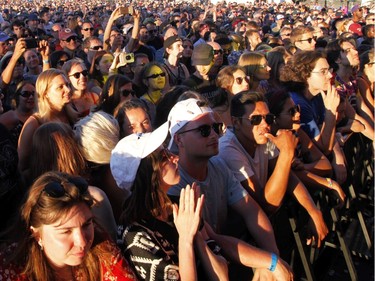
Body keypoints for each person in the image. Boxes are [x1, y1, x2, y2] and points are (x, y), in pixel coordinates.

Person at [166, 97, 294, 280]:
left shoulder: (218, 166)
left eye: (216, 128)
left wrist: (273, 258)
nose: (213, 135)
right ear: (179, 139)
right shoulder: (175, 184)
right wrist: (269, 261)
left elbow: (252, 212)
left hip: (223, 259)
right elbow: (213, 238)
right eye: (203, 130)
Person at [111, 122, 229, 280]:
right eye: (164, 157)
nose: (175, 157)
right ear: (147, 173)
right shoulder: (135, 235)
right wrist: (186, 239)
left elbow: (221, 275)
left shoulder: (178, 206)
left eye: (167, 150)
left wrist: (197, 236)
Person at [0, 171, 136, 281]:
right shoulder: (10, 270)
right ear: (37, 235)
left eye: (86, 224)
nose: (82, 241)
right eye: (66, 231)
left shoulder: (101, 247)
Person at [266, 89, 346, 205]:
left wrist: (304, 167)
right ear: (275, 119)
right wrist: (329, 183)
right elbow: (292, 176)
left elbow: (325, 165)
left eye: (297, 108)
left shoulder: (297, 132)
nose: (298, 114)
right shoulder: (270, 143)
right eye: (291, 111)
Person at [18, 69, 76, 175]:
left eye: (67, 84)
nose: (68, 89)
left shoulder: (72, 115)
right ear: (46, 93)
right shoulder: (34, 124)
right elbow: (22, 166)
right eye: (60, 87)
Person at [0, 80, 36, 146]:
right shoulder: (9, 117)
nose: (31, 97)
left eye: (34, 94)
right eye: (26, 94)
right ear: (17, 97)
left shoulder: (40, 116)